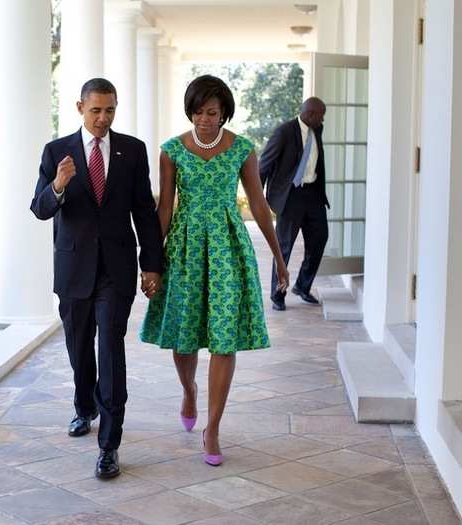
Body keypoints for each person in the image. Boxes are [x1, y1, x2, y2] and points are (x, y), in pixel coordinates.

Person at [140, 75, 288, 466]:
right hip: (186, 250)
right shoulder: (172, 150)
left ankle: (213, 428)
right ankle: (188, 390)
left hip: (228, 250)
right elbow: (165, 209)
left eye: (212, 113)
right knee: (185, 338)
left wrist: (278, 256)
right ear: (189, 110)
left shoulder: (242, 149)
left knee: (224, 340)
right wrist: (151, 263)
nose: (204, 120)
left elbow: (258, 206)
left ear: (224, 114)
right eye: (198, 112)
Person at [30, 78, 163, 479]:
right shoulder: (57, 152)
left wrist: (151, 263)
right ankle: (83, 406)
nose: (103, 118)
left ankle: (109, 444)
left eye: (110, 110)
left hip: (116, 271)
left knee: (110, 349)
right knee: (79, 349)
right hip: (73, 268)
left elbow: (144, 210)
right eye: (96, 110)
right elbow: (39, 208)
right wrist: (59, 184)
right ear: (79, 108)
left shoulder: (132, 150)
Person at [259, 97, 329, 311]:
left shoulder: (317, 130)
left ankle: (302, 286)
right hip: (290, 197)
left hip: (313, 194)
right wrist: (258, 199)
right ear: (310, 114)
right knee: (284, 248)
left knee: (319, 239)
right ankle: (277, 294)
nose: (323, 119)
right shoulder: (284, 132)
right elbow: (264, 164)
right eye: (321, 115)